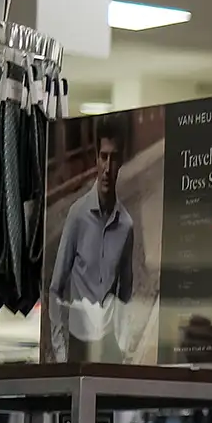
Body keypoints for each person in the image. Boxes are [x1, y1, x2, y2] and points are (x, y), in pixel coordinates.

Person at [48, 116, 136, 363]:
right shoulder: (77, 215)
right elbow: (55, 287)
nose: (107, 168)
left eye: (114, 158)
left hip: (109, 347)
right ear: (96, 158)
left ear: (121, 162)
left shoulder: (127, 226)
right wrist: (60, 351)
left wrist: (124, 342)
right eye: (103, 157)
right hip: (77, 346)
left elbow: (125, 294)